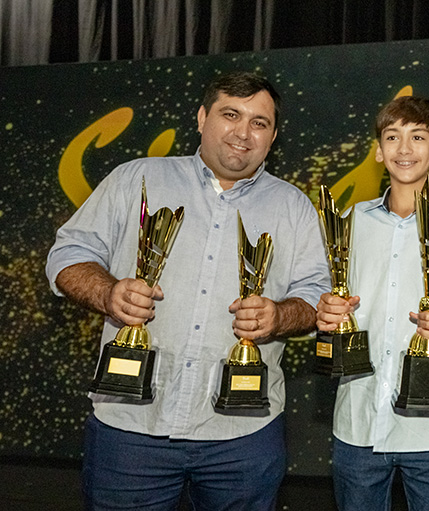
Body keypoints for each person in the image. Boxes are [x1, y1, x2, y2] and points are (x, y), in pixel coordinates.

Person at [46, 71, 328, 510]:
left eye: (259, 122)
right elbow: (68, 255)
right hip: (131, 430)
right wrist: (108, 293)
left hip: (243, 436)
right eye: (230, 114)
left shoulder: (294, 206)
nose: (243, 132)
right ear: (201, 118)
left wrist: (279, 316)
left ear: (273, 137)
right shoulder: (136, 179)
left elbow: (316, 294)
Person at [315, 96, 429, 511]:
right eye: (392, 137)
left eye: (418, 137)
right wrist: (326, 311)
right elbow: (325, 301)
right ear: (378, 150)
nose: (404, 148)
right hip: (358, 424)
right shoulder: (350, 222)